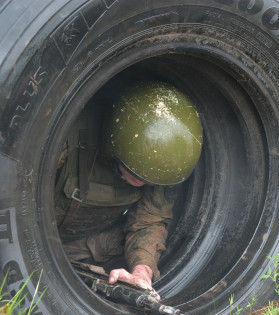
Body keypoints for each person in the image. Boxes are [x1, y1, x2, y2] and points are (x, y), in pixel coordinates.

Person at [55, 81, 203, 293]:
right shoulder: (68, 139)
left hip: (83, 250)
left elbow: (150, 220)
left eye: (151, 179)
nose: (143, 183)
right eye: (136, 173)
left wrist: (141, 271)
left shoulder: (163, 169)